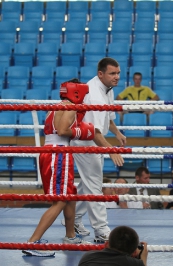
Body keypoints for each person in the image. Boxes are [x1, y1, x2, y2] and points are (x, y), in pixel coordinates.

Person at [23, 80, 93, 257]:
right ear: (76, 92)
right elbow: (62, 131)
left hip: (52, 152)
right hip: (58, 154)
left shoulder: (55, 107)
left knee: (70, 195)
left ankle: (70, 237)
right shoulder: (70, 108)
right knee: (61, 200)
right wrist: (79, 132)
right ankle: (32, 243)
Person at [66, 57, 126, 243]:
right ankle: (101, 230)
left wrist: (117, 132)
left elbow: (108, 116)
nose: (116, 77)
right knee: (94, 185)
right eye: (112, 73)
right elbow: (95, 131)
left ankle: (74, 219)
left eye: (118, 73)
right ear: (101, 74)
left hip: (93, 141)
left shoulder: (108, 88)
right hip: (85, 143)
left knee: (87, 184)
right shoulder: (94, 94)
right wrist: (111, 150)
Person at [78, 226, 148, 266]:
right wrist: (143, 259)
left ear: (106, 244)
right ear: (134, 253)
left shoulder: (87, 257)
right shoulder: (134, 263)